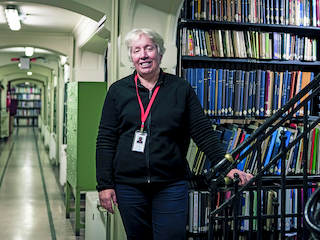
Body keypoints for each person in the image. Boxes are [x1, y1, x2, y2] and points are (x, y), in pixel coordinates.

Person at [96, 28, 253, 240]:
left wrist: (228, 168)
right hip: (129, 186)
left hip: (171, 184)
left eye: (148, 49)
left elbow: (202, 131)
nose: (143, 55)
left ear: (159, 54)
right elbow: (106, 139)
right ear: (131, 57)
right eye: (136, 50)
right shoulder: (117, 91)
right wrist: (105, 184)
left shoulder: (181, 89)